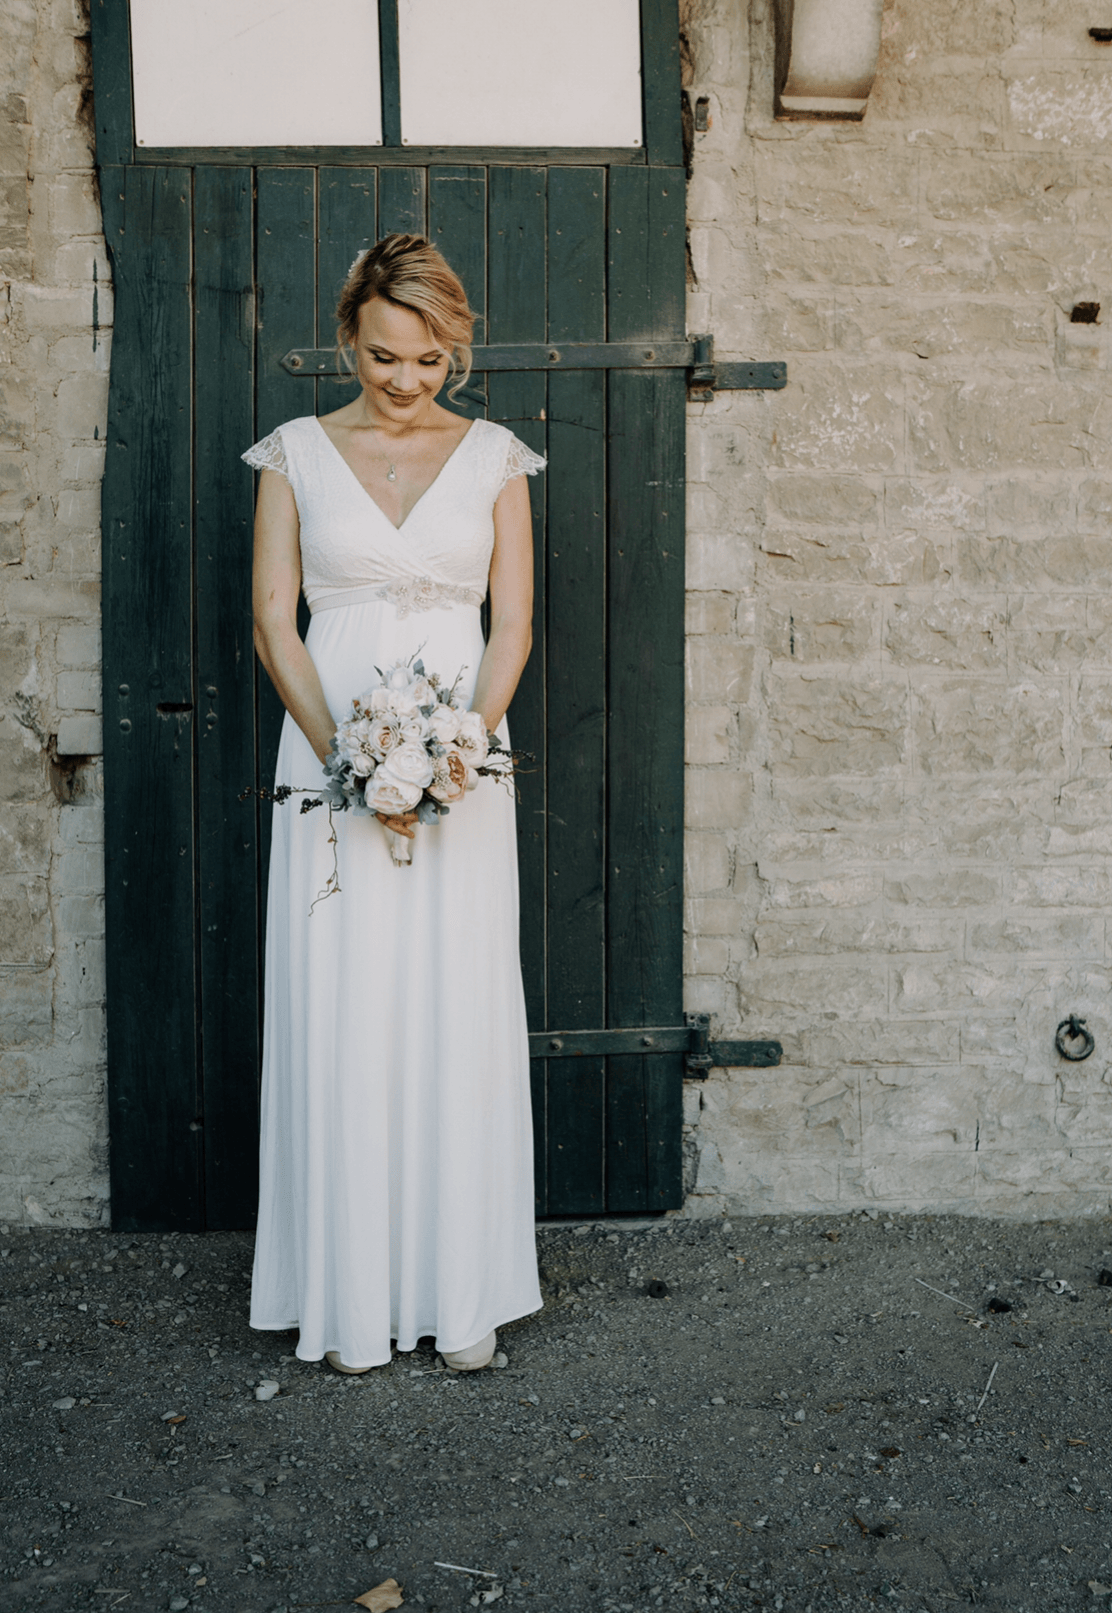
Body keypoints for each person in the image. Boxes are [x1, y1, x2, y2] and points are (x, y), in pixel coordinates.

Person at [243, 233, 545, 1374]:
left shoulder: (497, 458)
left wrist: (456, 751)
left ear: (453, 349)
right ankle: (350, 1297)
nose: (404, 381)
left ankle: (458, 1294)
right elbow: (275, 622)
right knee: (344, 998)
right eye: (382, 357)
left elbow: (511, 624)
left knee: (454, 1000)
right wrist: (354, 768)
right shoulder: (294, 454)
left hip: (461, 767)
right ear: (348, 341)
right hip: (331, 759)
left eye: (427, 360)